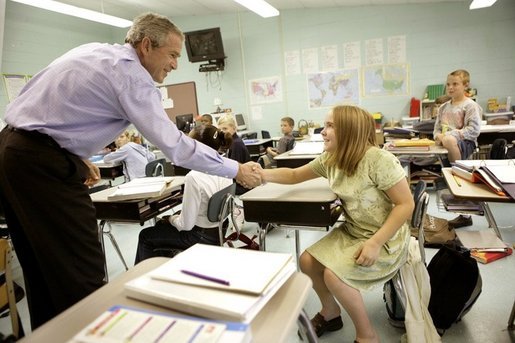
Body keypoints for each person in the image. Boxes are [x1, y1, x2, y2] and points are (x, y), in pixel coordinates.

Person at [0, 12, 261, 329]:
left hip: (12, 151)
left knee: (42, 268)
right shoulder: (133, 77)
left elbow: (41, 106)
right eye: (173, 55)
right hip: (40, 165)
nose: (176, 64)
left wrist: (72, 153)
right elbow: (174, 144)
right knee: (81, 270)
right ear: (147, 45)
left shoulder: (95, 51)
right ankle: (87, 334)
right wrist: (234, 168)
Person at [258, 105, 414, 341]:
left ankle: (367, 336)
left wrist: (374, 243)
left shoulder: (379, 160)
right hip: (355, 231)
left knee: (334, 275)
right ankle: (331, 312)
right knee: (307, 261)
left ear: (350, 130)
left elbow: (405, 205)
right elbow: (294, 175)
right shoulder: (332, 159)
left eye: (330, 125)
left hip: (386, 237)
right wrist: (260, 173)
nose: (323, 131)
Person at [135, 125, 233, 263]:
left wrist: (170, 218)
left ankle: (143, 278)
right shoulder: (227, 167)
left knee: (146, 235)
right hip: (219, 231)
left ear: (196, 148)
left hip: (199, 237)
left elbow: (185, 226)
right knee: (160, 229)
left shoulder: (194, 177)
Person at [433, 69, 482, 229]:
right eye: (448, 84)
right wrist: (439, 137)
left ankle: (457, 170)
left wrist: (450, 136)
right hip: (446, 146)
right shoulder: (443, 108)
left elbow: (473, 130)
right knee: (449, 181)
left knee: (459, 179)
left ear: (465, 85)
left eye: (455, 84)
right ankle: (463, 214)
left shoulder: (470, 106)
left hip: (464, 144)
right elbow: (436, 130)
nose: (451, 87)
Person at [217, 114, 251, 195]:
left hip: (241, 188)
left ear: (234, 128)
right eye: (220, 130)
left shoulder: (236, 144)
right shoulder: (232, 142)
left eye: (225, 128)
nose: (222, 132)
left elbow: (233, 171)